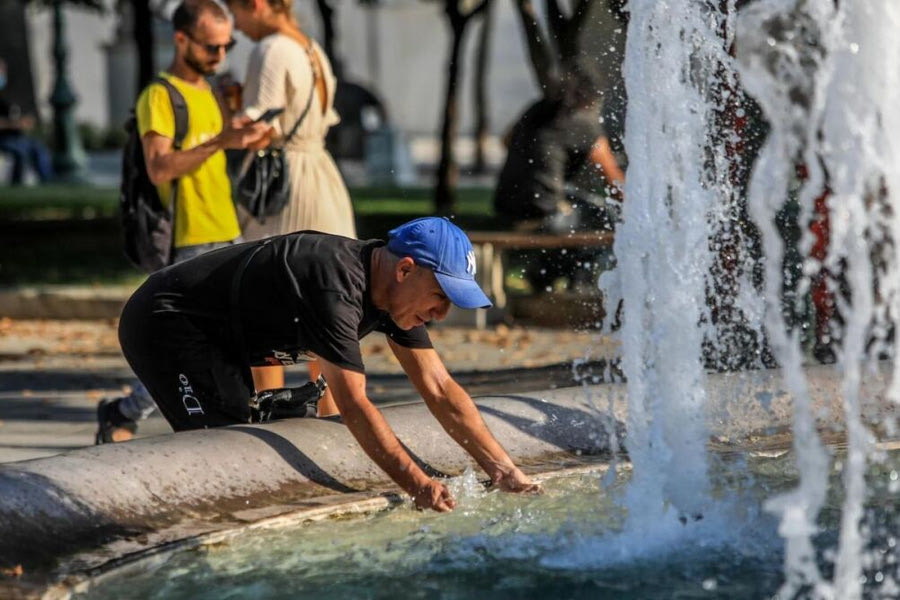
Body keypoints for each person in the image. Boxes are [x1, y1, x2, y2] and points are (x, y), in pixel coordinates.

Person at [116, 217, 541, 511]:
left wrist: (506, 472)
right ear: (406, 269)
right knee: (219, 447)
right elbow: (354, 404)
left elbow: (440, 389)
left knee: (246, 443)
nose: (442, 314)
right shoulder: (335, 287)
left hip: (222, 339)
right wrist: (417, 485)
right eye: (442, 297)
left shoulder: (396, 296)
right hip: (166, 323)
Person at [96, 0, 272, 444]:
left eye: (226, 45)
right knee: (182, 347)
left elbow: (218, 156)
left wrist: (245, 139)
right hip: (187, 240)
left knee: (239, 336)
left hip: (227, 230)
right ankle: (126, 411)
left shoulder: (212, 92)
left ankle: (230, 420)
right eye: (211, 47)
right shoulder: (160, 96)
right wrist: (221, 140)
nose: (220, 56)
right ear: (181, 40)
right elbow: (160, 168)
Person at [225, 0, 359, 410]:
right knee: (328, 300)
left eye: (237, 11)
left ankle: (271, 409)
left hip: (285, 186)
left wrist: (225, 111)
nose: (237, 26)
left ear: (259, 5)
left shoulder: (271, 50)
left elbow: (258, 129)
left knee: (265, 299)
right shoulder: (311, 49)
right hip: (321, 176)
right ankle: (335, 413)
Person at [494, 67, 626, 293]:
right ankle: (575, 285)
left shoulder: (537, 109)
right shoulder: (583, 123)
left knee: (575, 199)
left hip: (506, 206)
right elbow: (615, 183)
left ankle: (545, 277)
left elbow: (506, 141)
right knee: (605, 217)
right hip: (543, 213)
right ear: (593, 97)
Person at [0, 58, 53, 185]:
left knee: (39, 149)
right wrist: (15, 124)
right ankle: (16, 186)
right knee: (20, 153)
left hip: (17, 138)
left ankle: (48, 183)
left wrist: (25, 122)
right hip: (3, 140)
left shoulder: (6, 96)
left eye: (2, 71)